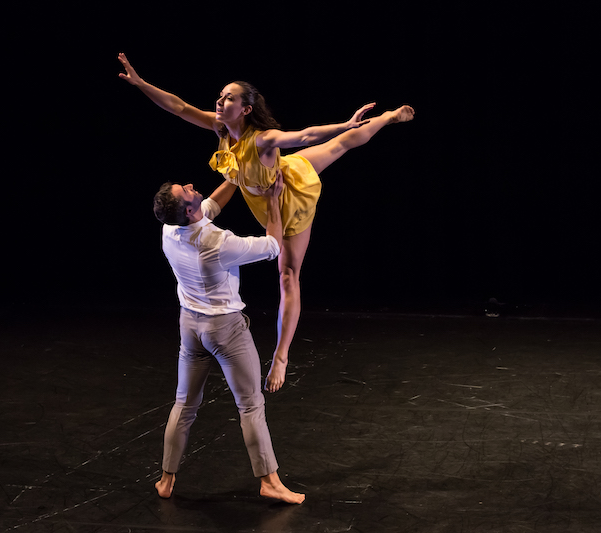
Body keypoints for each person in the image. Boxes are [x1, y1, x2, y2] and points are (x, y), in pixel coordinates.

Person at [119, 52, 415, 393]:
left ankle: (281, 355)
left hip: (289, 197)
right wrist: (141, 84)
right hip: (272, 189)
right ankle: (378, 121)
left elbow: (304, 136)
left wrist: (345, 123)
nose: (220, 100)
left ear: (245, 108)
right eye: (221, 94)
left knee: (289, 274)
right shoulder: (220, 129)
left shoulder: (262, 139)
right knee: (339, 147)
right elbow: (179, 107)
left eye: (229, 97)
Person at [152, 170, 304, 504]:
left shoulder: (170, 230)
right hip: (225, 330)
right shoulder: (216, 243)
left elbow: (212, 206)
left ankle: (166, 479)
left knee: (184, 403)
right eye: (187, 191)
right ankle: (270, 482)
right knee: (250, 405)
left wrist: (235, 177)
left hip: (190, 327)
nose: (192, 186)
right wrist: (274, 199)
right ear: (189, 211)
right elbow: (273, 246)